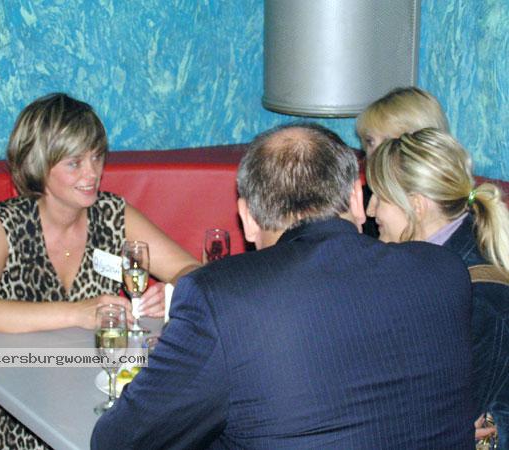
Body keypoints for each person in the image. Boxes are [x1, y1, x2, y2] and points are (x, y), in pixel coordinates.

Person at [91, 123, 475, 449]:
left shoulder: (221, 298)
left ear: (248, 218)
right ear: (357, 200)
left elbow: (119, 440)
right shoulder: (444, 271)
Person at [0, 93, 200, 449]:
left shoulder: (112, 213)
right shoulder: (3, 223)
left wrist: (171, 291)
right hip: (21, 390)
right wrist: (77, 313)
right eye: (75, 163)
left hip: (94, 383)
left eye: (96, 156)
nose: (92, 173)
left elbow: (190, 270)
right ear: (39, 165)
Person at [365, 128, 509, 448]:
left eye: (380, 198)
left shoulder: (480, 299)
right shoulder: (430, 264)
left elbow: (445, 421)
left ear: (416, 205)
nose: (370, 211)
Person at [356, 86, 450, 237]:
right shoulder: (361, 201)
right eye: (370, 141)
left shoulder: (450, 210)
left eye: (388, 143)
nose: (375, 154)